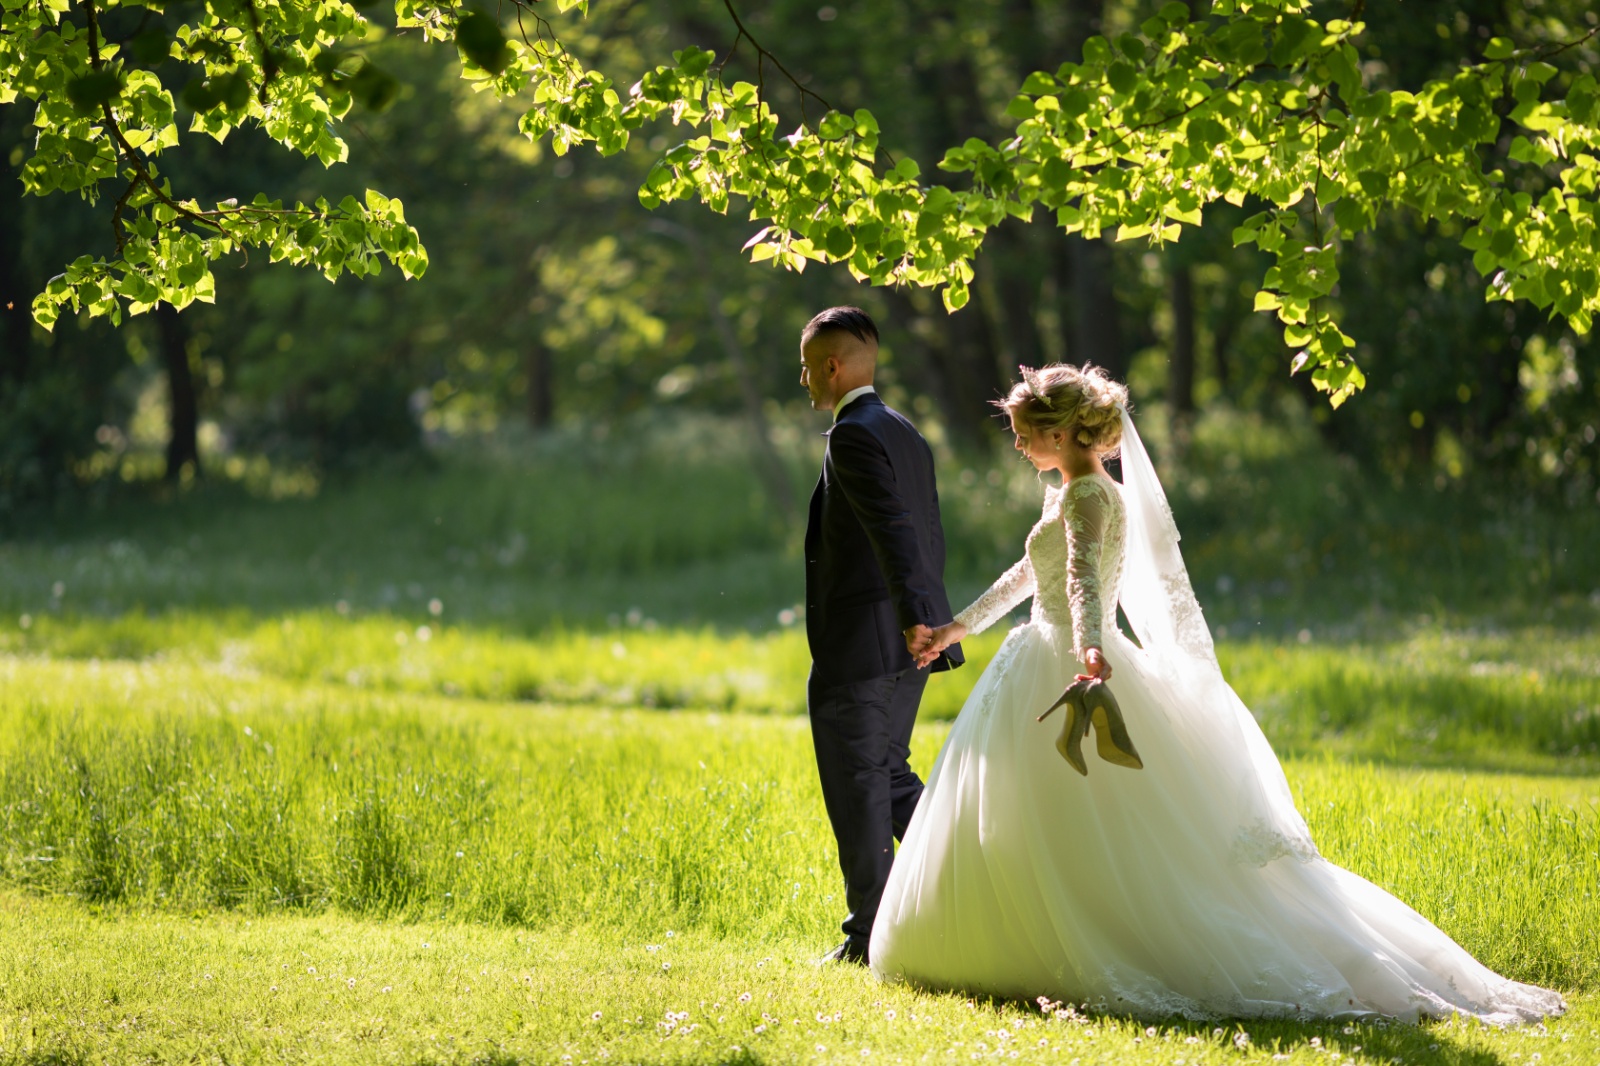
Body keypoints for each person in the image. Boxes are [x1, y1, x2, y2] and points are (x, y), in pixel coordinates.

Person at [873, 363, 1565, 1023]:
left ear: (1061, 433)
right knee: (1030, 810)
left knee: (1088, 818)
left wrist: (1088, 647)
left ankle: (1094, 940)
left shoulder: (1088, 496)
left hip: (1072, 653)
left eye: (1026, 433)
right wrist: (956, 626)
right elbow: (1029, 573)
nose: (1019, 445)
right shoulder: (1065, 490)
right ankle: (1023, 938)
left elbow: (1084, 579)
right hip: (1043, 648)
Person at [799, 306, 964, 965]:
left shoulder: (852, 436)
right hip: (907, 643)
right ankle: (965, 873)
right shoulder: (905, 431)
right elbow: (927, 533)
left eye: (806, 366)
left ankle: (871, 937)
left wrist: (916, 618)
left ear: (832, 366)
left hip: (871, 643)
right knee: (887, 775)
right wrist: (925, 625)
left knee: (858, 786)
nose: (802, 380)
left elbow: (897, 532)